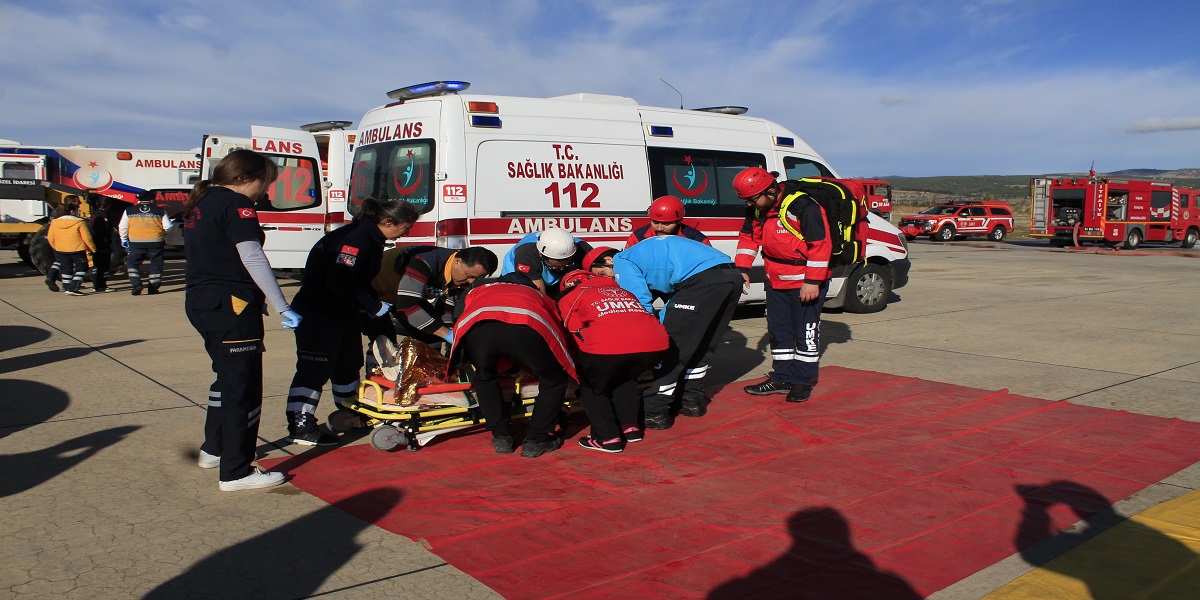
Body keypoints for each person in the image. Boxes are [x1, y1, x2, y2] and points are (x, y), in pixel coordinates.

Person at [182, 149, 300, 492]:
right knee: (243, 389)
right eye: (265, 182)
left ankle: (214, 450)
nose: (264, 191)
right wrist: (282, 305)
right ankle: (236, 471)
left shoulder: (201, 205)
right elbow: (252, 257)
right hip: (231, 307)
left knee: (226, 381)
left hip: (204, 303)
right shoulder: (237, 206)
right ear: (246, 178)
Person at [283, 197, 418, 446]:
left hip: (343, 313)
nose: (406, 232)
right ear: (388, 222)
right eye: (405, 227)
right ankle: (300, 425)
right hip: (320, 314)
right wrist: (373, 306)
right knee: (314, 370)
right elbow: (341, 280)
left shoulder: (370, 238)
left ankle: (350, 413)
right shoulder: (355, 240)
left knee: (347, 365)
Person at [612, 236, 741, 430]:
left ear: (606, 262)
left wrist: (648, 339)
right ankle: (691, 402)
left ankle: (655, 412)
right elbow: (674, 301)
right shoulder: (649, 254)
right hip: (731, 277)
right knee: (702, 347)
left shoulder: (621, 261)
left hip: (702, 280)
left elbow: (639, 303)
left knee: (673, 349)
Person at [448, 272, 576, 458]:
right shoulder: (537, 294)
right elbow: (556, 326)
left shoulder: (475, 290)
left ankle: (502, 436)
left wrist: (511, 369)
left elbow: (461, 318)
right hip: (526, 324)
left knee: (485, 377)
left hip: (479, 327)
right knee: (554, 379)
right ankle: (536, 439)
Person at [732, 166, 832, 403]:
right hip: (775, 280)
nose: (749, 205)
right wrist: (742, 268)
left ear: (769, 190)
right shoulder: (758, 210)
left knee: (804, 333)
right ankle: (782, 378)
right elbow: (748, 239)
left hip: (804, 281)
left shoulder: (803, 206)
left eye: (752, 199)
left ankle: (802, 381)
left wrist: (812, 281)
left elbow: (821, 244)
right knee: (779, 331)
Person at [557, 269, 669, 452]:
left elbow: (572, 330)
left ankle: (607, 438)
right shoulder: (624, 292)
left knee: (592, 388)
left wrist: (578, 362)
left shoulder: (574, 296)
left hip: (608, 346)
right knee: (625, 379)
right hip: (656, 345)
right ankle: (631, 428)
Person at [366, 245, 497, 348]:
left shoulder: (462, 277)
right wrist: (447, 334)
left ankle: (429, 376)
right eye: (469, 275)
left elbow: (447, 307)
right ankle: (375, 377)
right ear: (457, 261)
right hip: (370, 290)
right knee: (383, 341)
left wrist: (450, 328)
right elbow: (408, 308)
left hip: (404, 293)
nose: (471, 282)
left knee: (432, 337)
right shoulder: (423, 262)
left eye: (478, 278)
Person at [500, 227, 593, 297]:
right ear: (541, 254)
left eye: (567, 263)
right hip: (519, 273)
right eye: (556, 266)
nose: (562, 269)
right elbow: (540, 295)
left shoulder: (582, 249)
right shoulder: (527, 255)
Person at [120, 190, 174, 295]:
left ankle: (136, 284)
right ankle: (153, 288)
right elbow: (168, 226)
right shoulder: (160, 210)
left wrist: (124, 239)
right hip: (156, 242)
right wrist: (162, 233)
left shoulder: (129, 210)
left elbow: (123, 227)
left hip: (136, 242)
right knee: (156, 264)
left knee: (132, 263)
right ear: (152, 199)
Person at [45, 196, 95, 296]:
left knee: (66, 268)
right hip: (77, 249)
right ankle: (73, 287)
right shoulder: (79, 222)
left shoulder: (55, 222)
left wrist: (56, 247)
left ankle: (67, 287)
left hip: (62, 249)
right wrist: (92, 248)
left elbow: (50, 237)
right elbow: (86, 237)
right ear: (72, 211)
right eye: (77, 210)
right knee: (82, 268)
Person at [624, 195, 710, 248]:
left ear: (679, 220)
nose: (659, 228)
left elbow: (710, 264)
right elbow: (625, 264)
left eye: (666, 224)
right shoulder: (637, 238)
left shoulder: (696, 239)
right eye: (655, 222)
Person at [85, 193, 114, 293]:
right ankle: (101, 285)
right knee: (104, 265)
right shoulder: (104, 215)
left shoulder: (95, 214)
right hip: (102, 243)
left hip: (95, 242)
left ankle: (96, 285)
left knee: (97, 265)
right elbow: (106, 230)